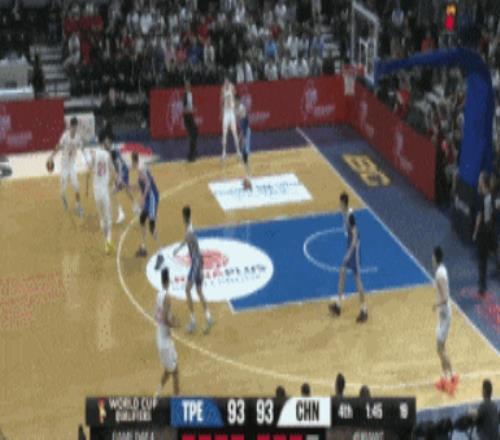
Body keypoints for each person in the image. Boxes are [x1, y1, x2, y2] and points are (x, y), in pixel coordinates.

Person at [173, 206, 214, 334]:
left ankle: (193, 321)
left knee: (187, 290)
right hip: (198, 261)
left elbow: (187, 240)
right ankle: (208, 317)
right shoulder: (190, 227)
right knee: (199, 291)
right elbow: (188, 240)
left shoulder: (189, 232)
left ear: (183, 217)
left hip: (196, 263)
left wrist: (177, 249)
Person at [329, 192, 368, 323]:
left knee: (357, 280)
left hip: (354, 248)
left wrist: (349, 253)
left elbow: (355, 236)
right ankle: (338, 306)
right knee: (342, 272)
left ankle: (364, 310)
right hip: (350, 245)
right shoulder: (345, 213)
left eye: (340, 203)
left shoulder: (350, 216)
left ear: (344, 204)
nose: (339, 205)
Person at [432, 246, 459, 394]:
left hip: (445, 315)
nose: (431, 259)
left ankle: (450, 375)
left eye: (432, 256)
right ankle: (447, 376)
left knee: (440, 348)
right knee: (440, 348)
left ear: (435, 257)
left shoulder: (439, 274)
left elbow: (445, 297)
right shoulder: (441, 270)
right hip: (442, 314)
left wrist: (435, 305)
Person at [48, 117, 85, 217]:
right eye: (73, 127)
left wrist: (87, 158)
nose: (74, 128)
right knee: (63, 188)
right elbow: (58, 146)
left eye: (76, 127)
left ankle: (78, 206)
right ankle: (63, 196)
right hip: (64, 166)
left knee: (76, 186)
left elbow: (82, 147)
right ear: (70, 126)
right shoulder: (65, 136)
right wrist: (52, 156)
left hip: (72, 166)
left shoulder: (78, 137)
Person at [131, 152, 162, 269]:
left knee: (152, 226)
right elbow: (142, 184)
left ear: (133, 161)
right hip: (149, 197)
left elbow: (148, 184)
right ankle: (143, 248)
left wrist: (143, 199)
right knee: (142, 220)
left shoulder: (140, 169)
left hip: (152, 198)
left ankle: (161, 255)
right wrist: (130, 186)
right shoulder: (141, 167)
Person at [155, 268, 180, 397]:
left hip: (163, 339)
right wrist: (175, 324)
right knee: (174, 372)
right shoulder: (167, 298)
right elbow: (165, 319)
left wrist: (172, 318)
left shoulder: (158, 295)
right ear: (168, 280)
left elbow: (159, 316)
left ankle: (158, 393)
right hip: (164, 342)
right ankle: (177, 399)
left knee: (171, 369)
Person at [86, 145, 115, 254]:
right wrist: (111, 183)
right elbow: (113, 172)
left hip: (96, 192)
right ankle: (108, 242)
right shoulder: (108, 156)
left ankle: (105, 242)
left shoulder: (94, 155)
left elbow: (88, 172)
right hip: (104, 192)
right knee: (109, 218)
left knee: (102, 218)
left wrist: (87, 189)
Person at [473, 172, 497, 296]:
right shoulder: (491, 195)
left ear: (483, 182)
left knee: (482, 260)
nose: (478, 180)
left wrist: (475, 232)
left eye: (480, 179)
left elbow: (480, 217)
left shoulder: (482, 198)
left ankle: (482, 286)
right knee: (487, 257)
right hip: (491, 232)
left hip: (484, 233)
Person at [102, 135, 135, 224]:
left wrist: (119, 177)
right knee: (126, 189)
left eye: (106, 144)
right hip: (124, 171)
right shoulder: (112, 150)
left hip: (123, 172)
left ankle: (121, 213)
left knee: (112, 193)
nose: (105, 145)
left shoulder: (113, 152)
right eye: (104, 144)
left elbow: (119, 164)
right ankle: (135, 205)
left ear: (109, 144)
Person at [220, 76, 240, 160]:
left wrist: (236, 110)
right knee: (224, 133)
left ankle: (238, 152)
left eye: (227, 82)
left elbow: (236, 98)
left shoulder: (232, 87)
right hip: (226, 113)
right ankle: (224, 153)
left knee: (235, 132)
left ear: (229, 82)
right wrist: (221, 113)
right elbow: (221, 101)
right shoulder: (222, 89)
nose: (226, 83)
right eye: (225, 82)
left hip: (231, 112)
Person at [235, 94, 252, 189]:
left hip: (246, 132)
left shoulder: (241, 109)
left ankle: (248, 179)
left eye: (235, 101)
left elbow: (245, 123)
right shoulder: (237, 109)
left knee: (245, 154)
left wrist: (243, 136)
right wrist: (240, 136)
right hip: (243, 131)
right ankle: (246, 177)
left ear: (237, 101)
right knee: (243, 152)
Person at [183, 79, 198, 162]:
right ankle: (190, 156)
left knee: (195, 133)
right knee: (192, 135)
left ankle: (193, 152)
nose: (189, 87)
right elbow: (184, 110)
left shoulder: (190, 95)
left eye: (189, 85)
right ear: (185, 87)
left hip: (190, 116)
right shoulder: (185, 96)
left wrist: (192, 109)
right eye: (187, 85)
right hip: (187, 117)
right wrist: (192, 109)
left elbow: (189, 106)